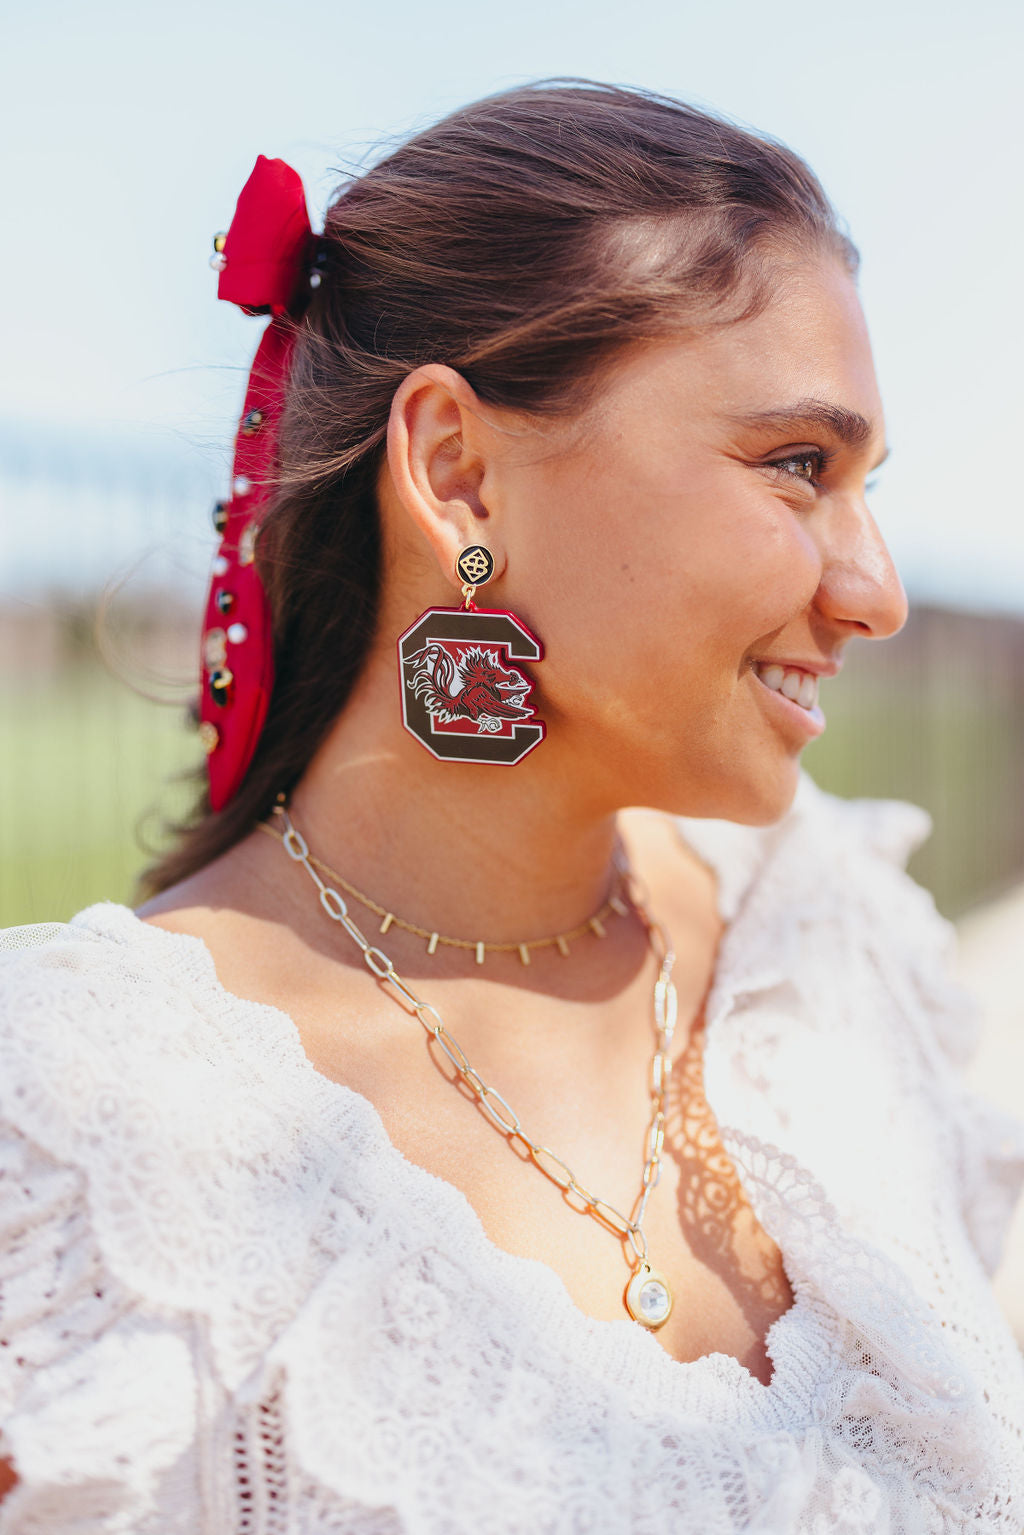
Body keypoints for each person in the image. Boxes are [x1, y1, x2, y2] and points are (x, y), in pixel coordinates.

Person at [0, 79, 1022, 1534]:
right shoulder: (80, 1153)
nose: (876, 592)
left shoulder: (836, 951)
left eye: (863, 485)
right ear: (458, 472)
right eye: (799, 467)